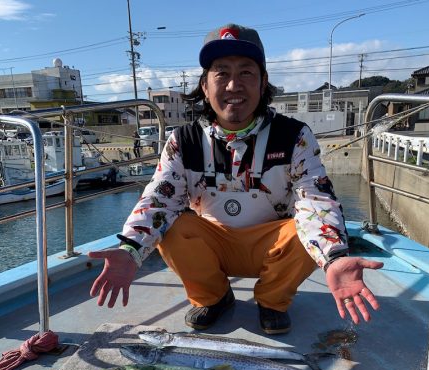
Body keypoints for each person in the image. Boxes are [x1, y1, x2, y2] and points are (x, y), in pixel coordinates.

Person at [89, 23, 383, 334]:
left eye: (246, 73)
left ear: (263, 82)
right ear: (205, 85)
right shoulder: (183, 141)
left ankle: (273, 301)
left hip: (272, 244)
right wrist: (130, 250)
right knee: (172, 226)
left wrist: (335, 257)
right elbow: (158, 199)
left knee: (305, 227)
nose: (233, 85)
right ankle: (213, 297)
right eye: (222, 73)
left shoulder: (294, 136)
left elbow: (316, 199)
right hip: (213, 243)